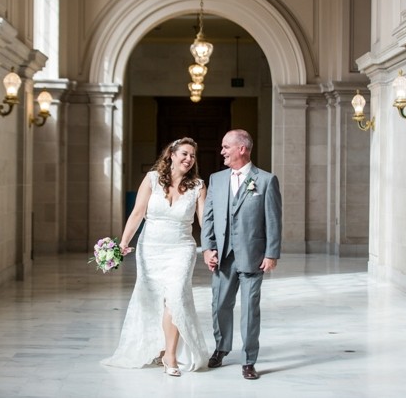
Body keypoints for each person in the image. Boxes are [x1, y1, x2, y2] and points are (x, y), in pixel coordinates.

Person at [101, 137, 209, 377]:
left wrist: (213, 247)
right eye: (184, 154)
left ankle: (170, 355)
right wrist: (124, 243)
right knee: (154, 300)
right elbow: (138, 213)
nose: (189, 159)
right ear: (171, 155)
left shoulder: (198, 186)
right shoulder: (151, 179)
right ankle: (158, 348)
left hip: (182, 248)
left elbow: (204, 221)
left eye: (192, 155)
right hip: (150, 248)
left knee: (177, 296)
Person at [200, 129, 282, 380]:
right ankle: (222, 348)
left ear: (242, 149)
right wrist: (207, 247)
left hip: (253, 255)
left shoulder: (266, 180)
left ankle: (248, 360)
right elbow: (209, 217)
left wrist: (272, 253)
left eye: (226, 146)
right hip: (223, 256)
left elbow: (274, 220)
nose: (222, 151)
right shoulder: (217, 179)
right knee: (220, 305)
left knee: (249, 309)